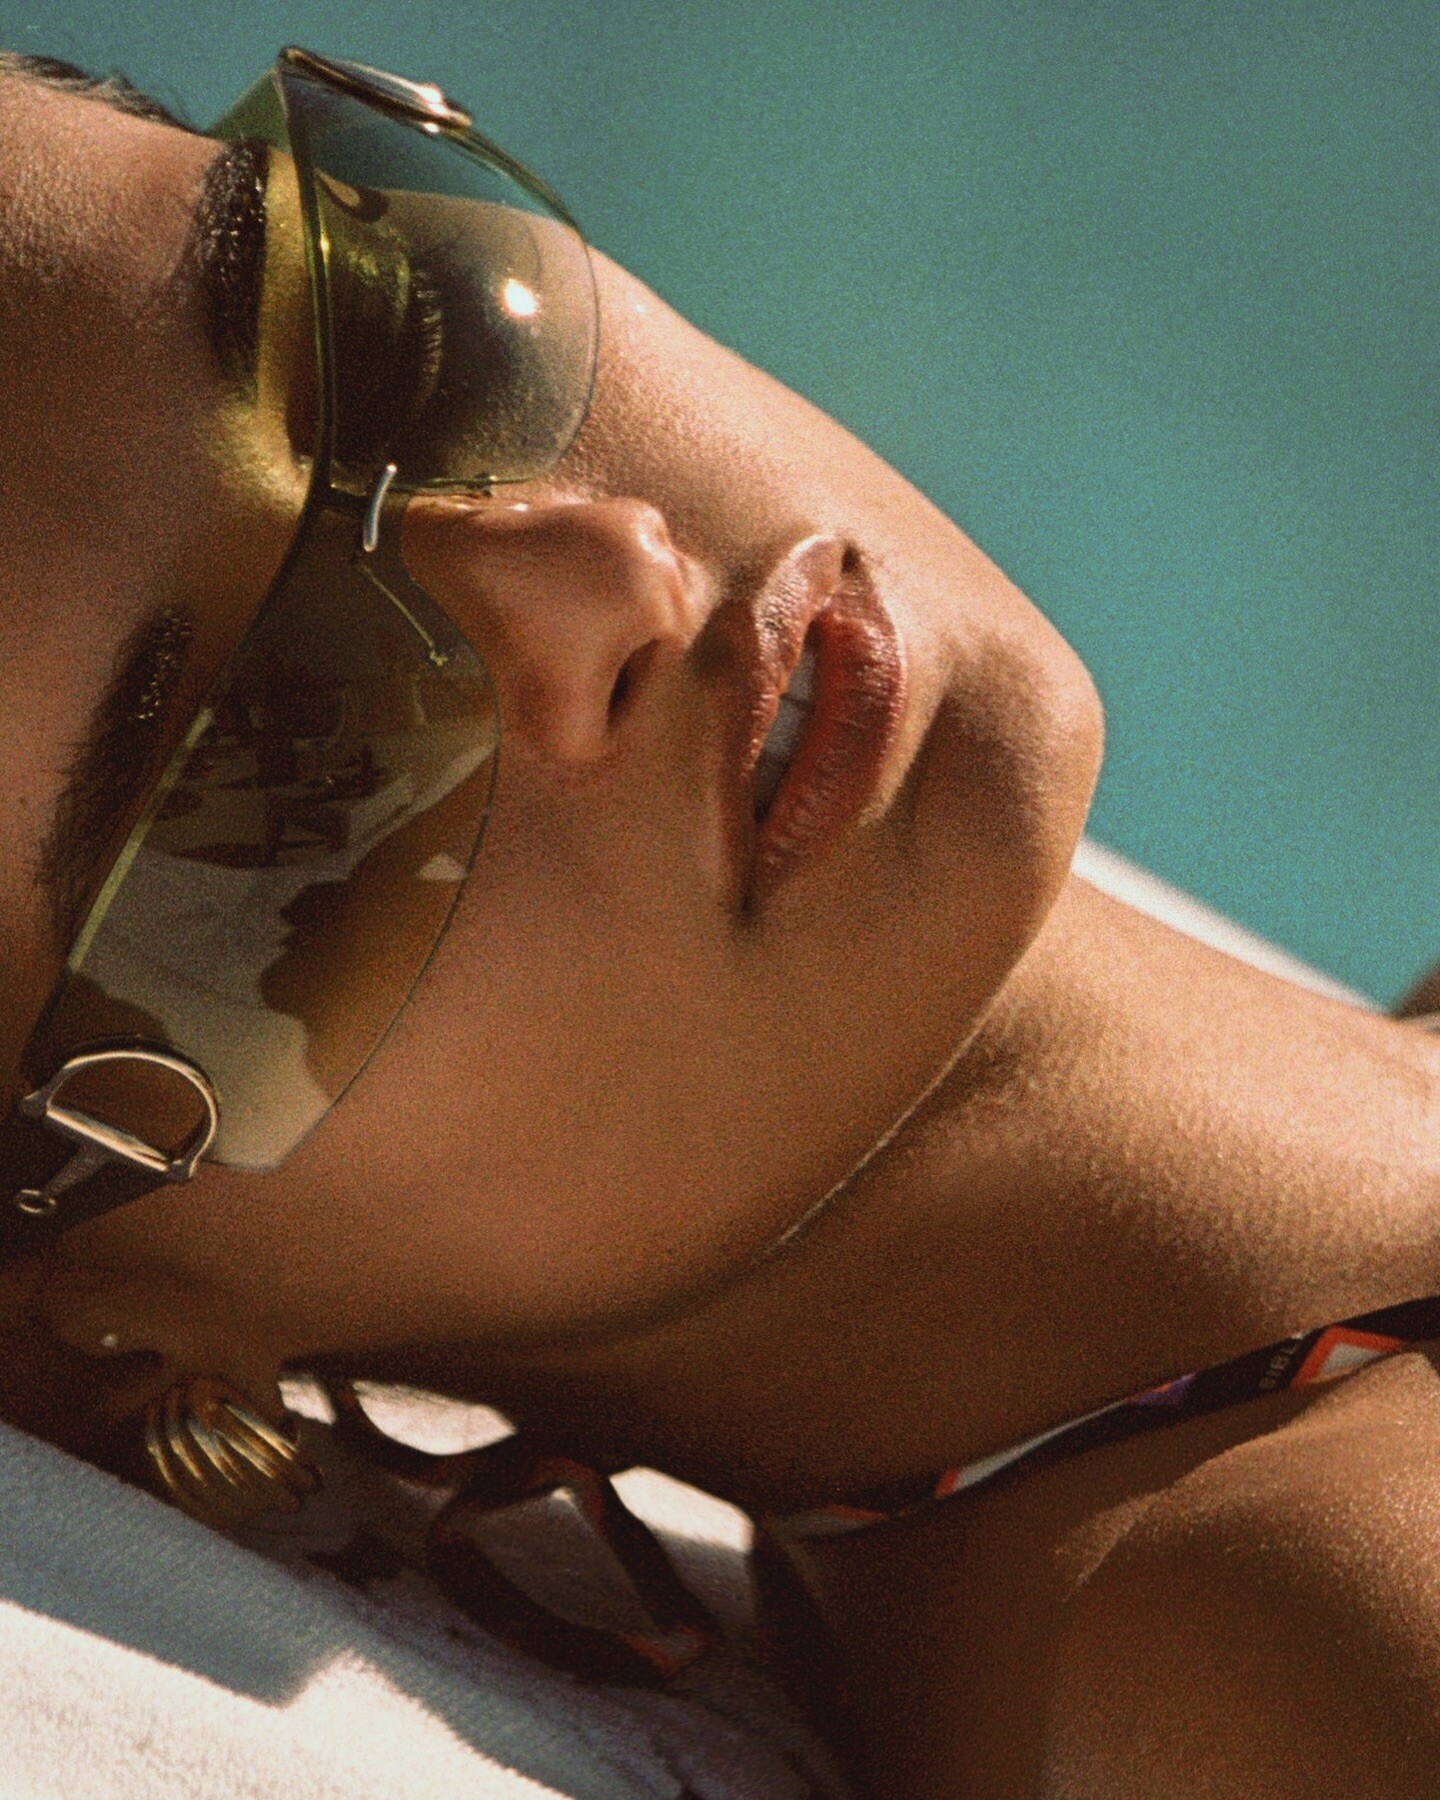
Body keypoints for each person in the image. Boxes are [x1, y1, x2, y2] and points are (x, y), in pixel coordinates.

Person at [1, 44, 1439, 1800]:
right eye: (282, 761)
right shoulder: (1330, 1654)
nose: (599, 572)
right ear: (97, 1321)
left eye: (394, 321)